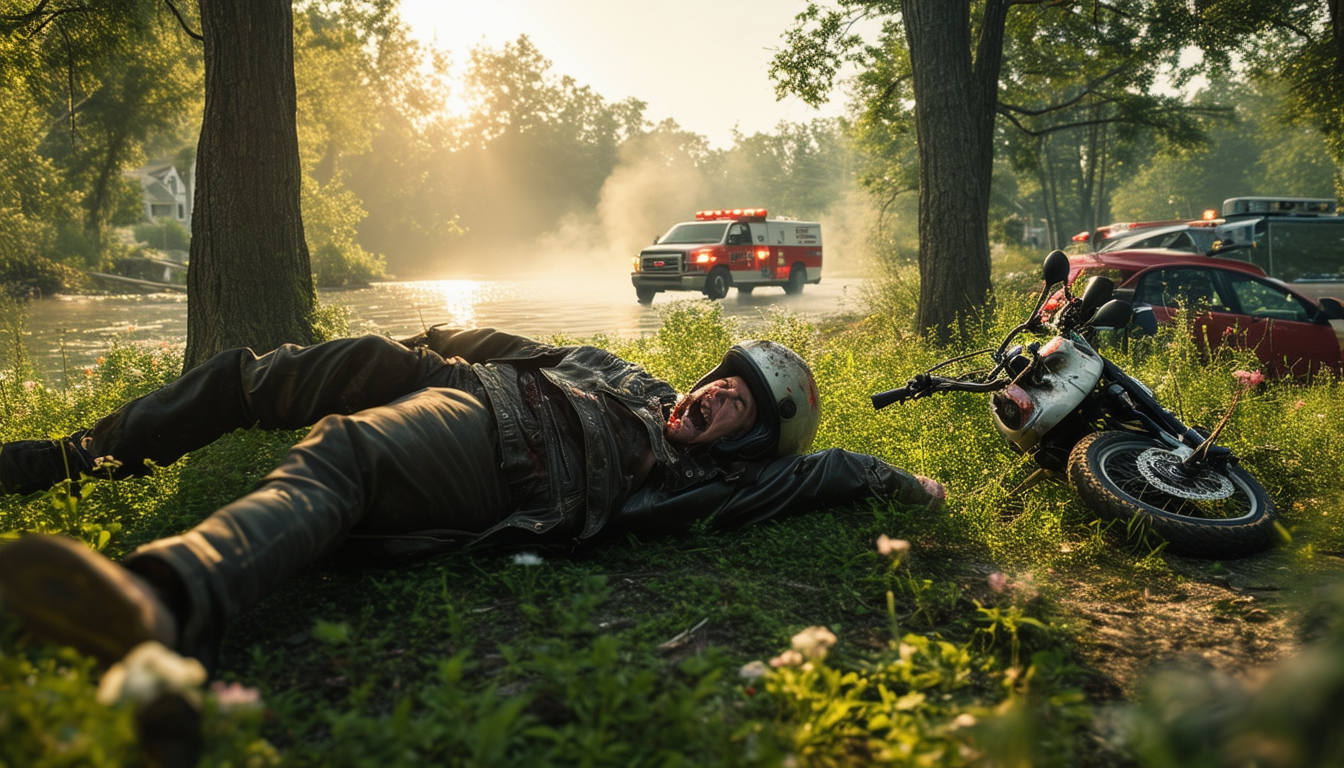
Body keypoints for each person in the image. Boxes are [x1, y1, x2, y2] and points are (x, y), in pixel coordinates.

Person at [0, 328, 942, 671]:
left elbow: (838, 469)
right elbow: (521, 346)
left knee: (346, 456)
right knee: (258, 376)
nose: (720, 396)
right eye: (725, 380)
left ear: (750, 447)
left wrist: (915, 484)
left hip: (504, 450)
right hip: (457, 378)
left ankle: (169, 596)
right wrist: (407, 349)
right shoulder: (631, 375)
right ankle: (69, 458)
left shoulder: (710, 482)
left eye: (744, 409)